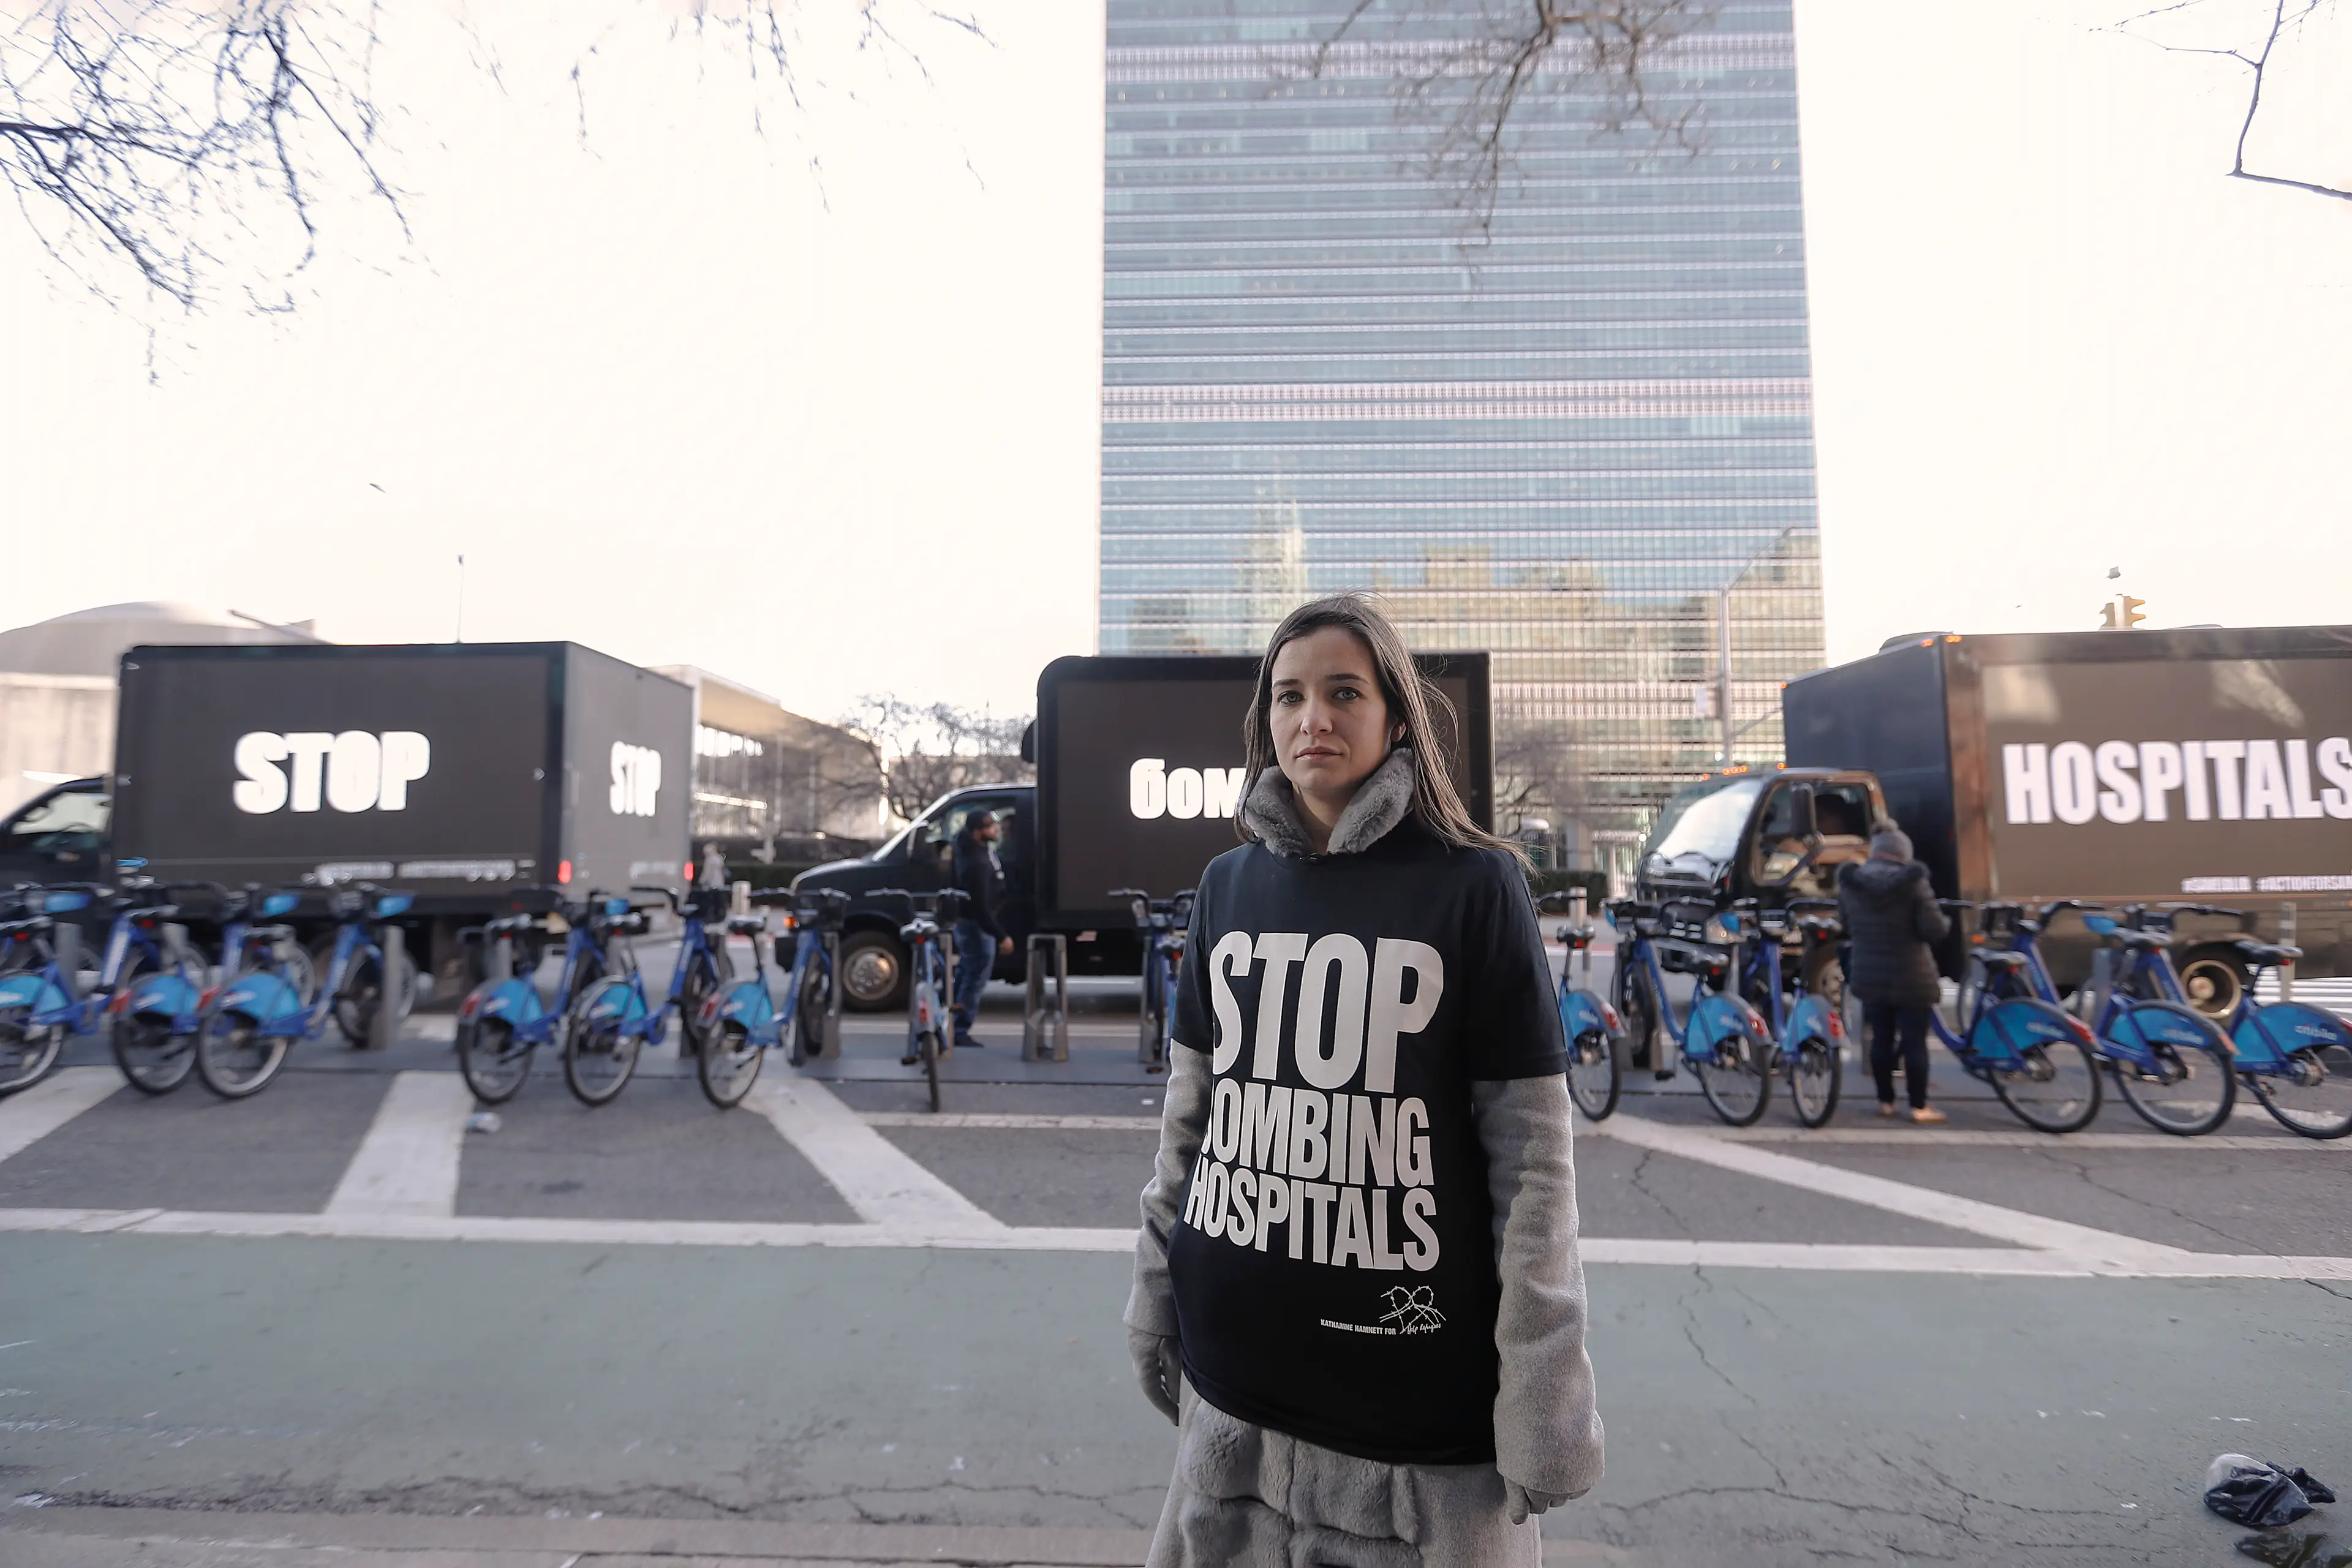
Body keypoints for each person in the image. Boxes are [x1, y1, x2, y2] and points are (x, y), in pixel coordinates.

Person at [1126, 594, 1603, 1566]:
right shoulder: (1227, 887)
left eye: (1345, 692)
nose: (1314, 719)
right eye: (1290, 696)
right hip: (1231, 1405)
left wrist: (1544, 1397)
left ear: (1395, 715)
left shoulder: (1476, 885)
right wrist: (1153, 1297)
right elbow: (1191, 1125)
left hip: (1418, 1432)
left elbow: (1534, 1170)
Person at [1836, 823, 1953, 1125]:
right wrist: (1947, 921)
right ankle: (1919, 1106)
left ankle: (1886, 1101)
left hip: (1869, 972)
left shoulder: (1852, 884)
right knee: (1914, 1041)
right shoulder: (1914, 883)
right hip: (1912, 974)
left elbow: (1846, 925)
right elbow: (1934, 929)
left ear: (1875, 853)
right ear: (1903, 855)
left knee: (1881, 1039)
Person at [948, 807, 1012, 1051]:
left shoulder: (976, 849)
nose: (995, 829)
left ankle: (950, 1020)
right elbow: (981, 907)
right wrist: (1002, 936)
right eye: (989, 826)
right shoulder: (976, 863)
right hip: (977, 926)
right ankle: (960, 1028)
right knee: (974, 977)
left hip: (972, 924)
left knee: (966, 972)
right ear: (977, 833)